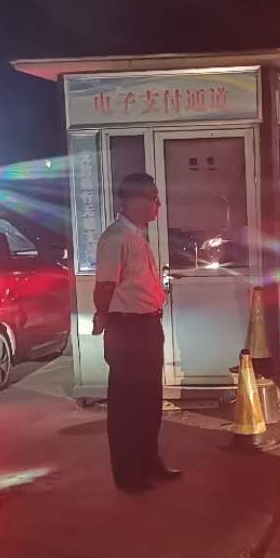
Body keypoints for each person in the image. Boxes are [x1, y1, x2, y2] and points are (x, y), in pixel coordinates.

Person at [92, 173, 182, 493]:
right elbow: (105, 286)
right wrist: (102, 315)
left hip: (146, 326)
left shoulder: (136, 236)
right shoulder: (115, 238)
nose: (158, 205)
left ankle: (148, 462)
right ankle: (128, 474)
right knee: (127, 406)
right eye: (154, 199)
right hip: (127, 328)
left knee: (148, 401)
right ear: (135, 201)